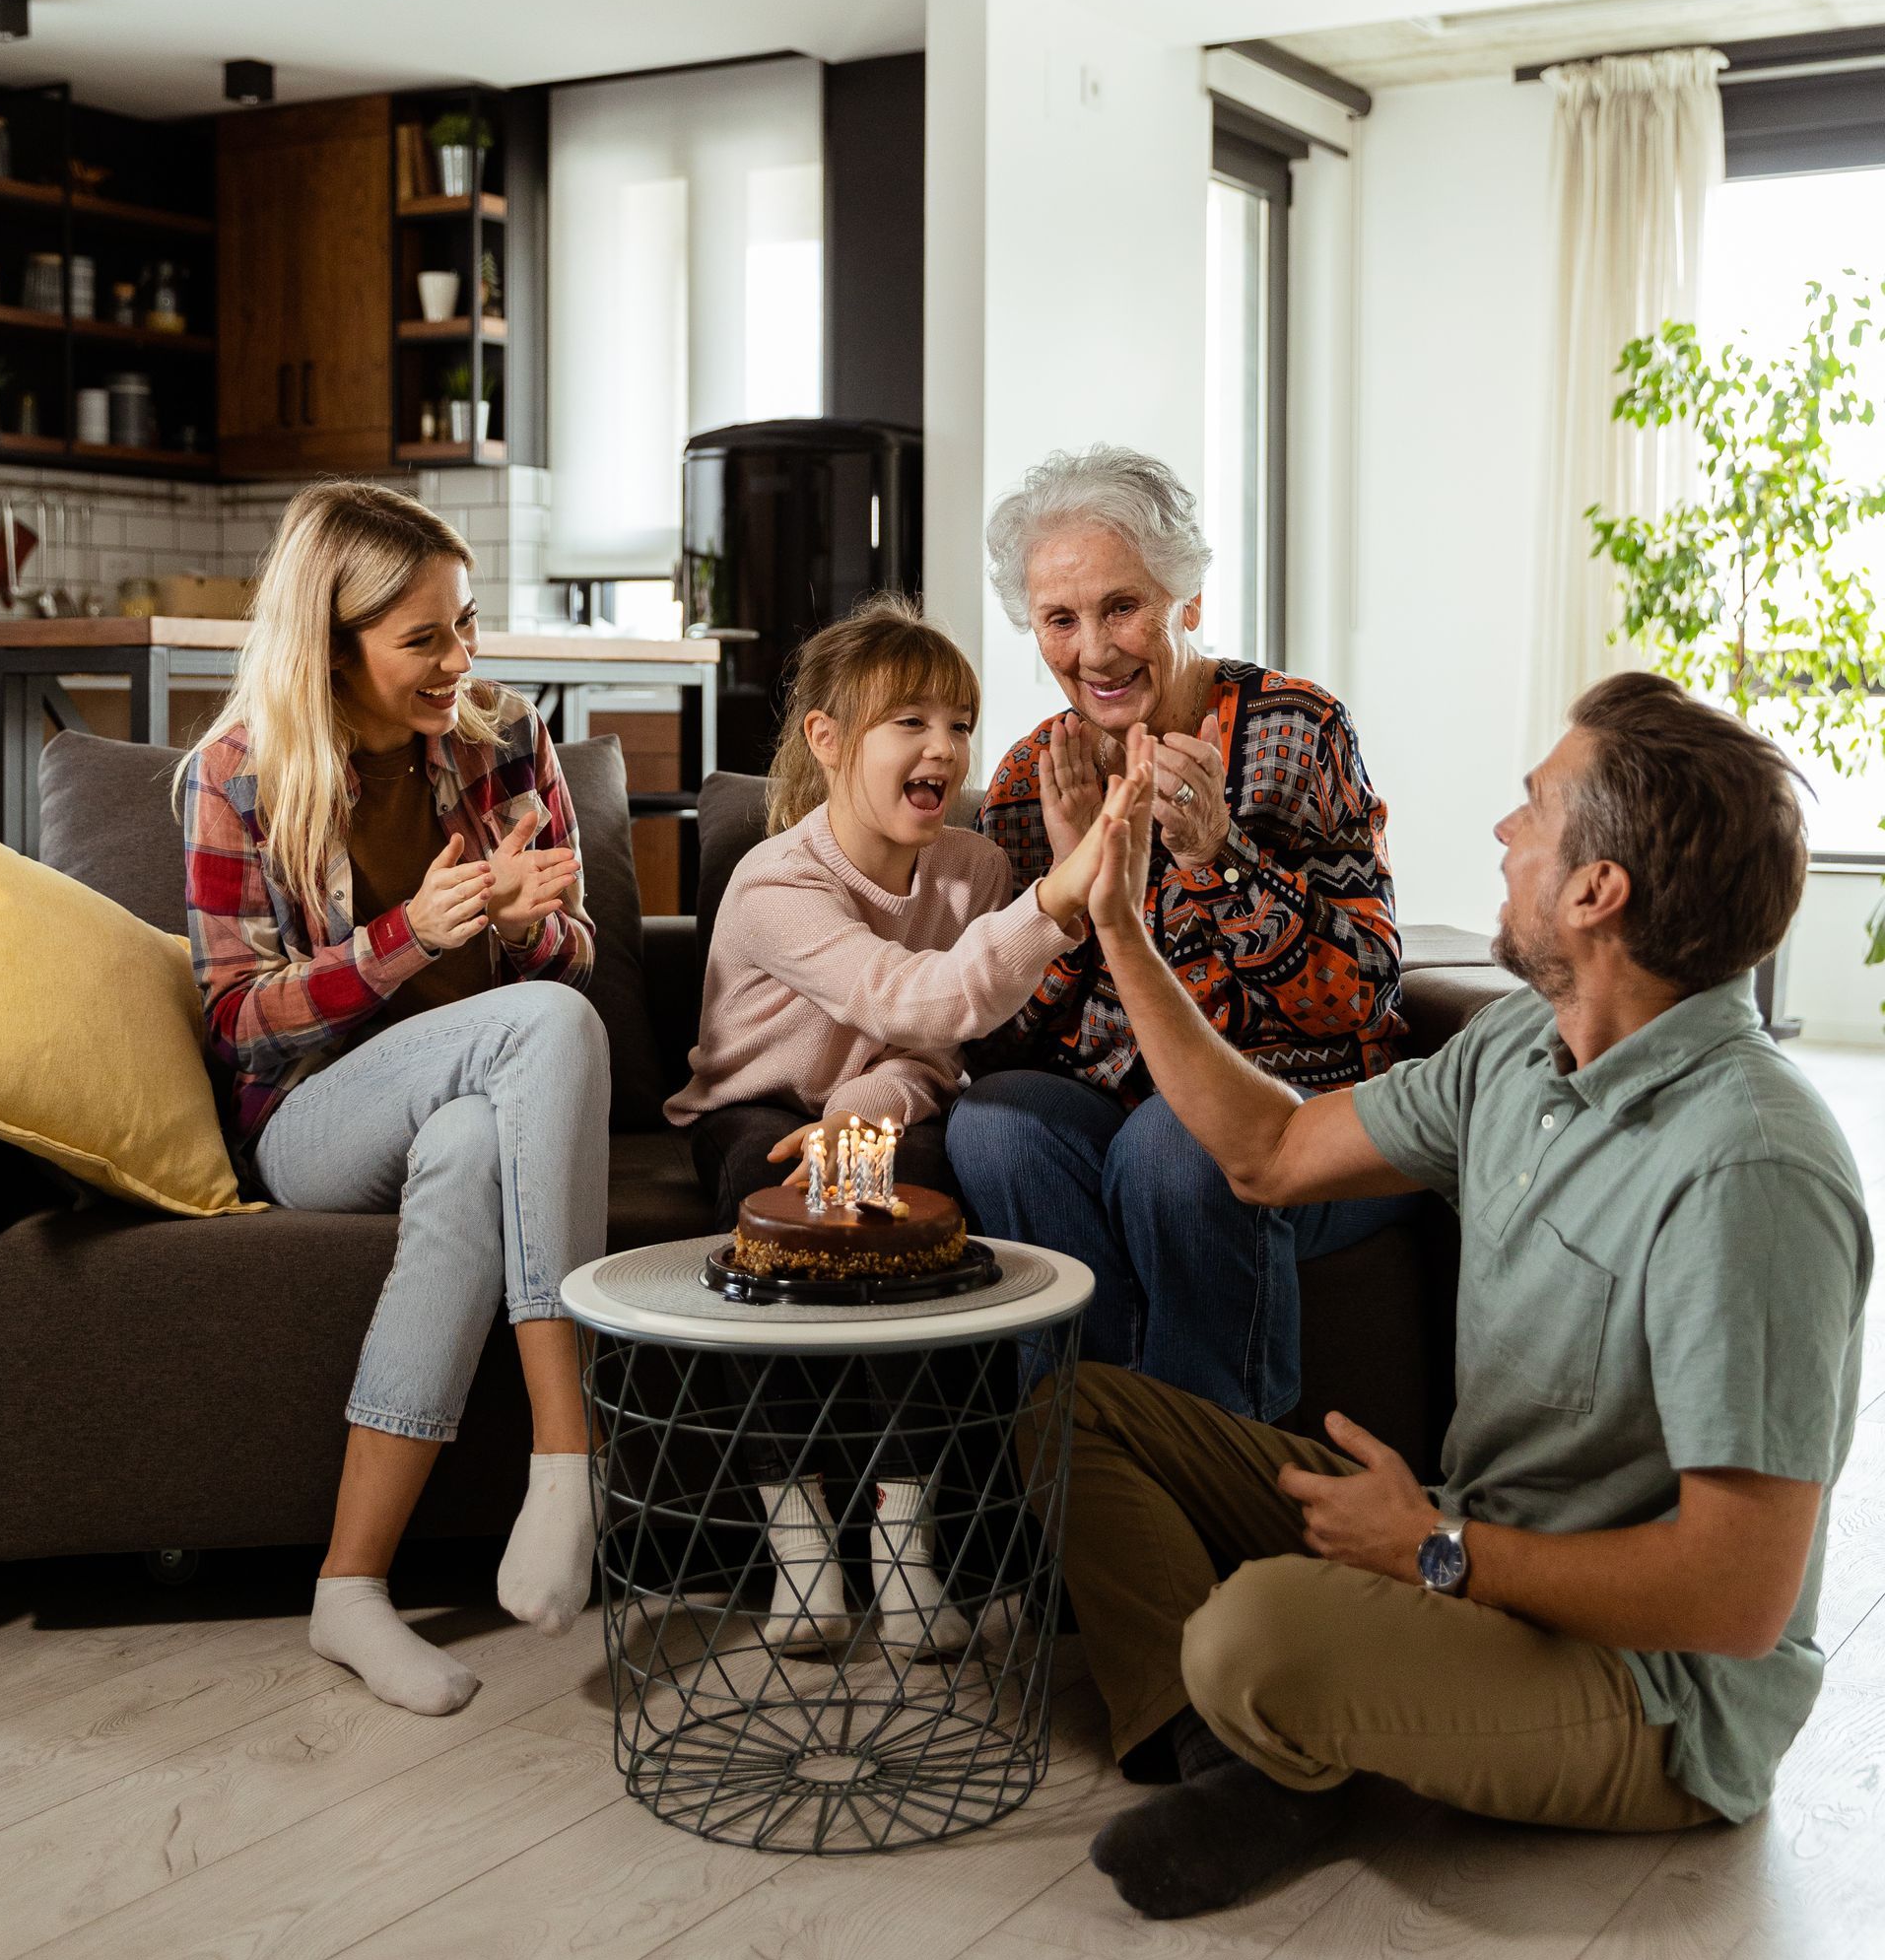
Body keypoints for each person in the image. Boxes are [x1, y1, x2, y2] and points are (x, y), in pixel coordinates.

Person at [1055, 675, 1869, 1921]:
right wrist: (1121, 928)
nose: (1503, 832)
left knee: (1249, 1633)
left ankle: (1285, 1718)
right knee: (1078, 1414)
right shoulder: (1516, 1053)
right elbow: (1267, 1154)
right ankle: (1250, 1764)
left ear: (1599, 893)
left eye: (1533, 809)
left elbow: (1738, 1597)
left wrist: (1432, 1554)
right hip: (1471, 1554)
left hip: (1652, 1689)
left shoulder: (1748, 1162)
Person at [181, 482, 610, 1719]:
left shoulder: (503, 738)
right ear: (333, 643)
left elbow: (574, 958)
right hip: (316, 1119)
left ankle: (350, 1588)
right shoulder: (241, 772)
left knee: (484, 1127)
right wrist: (401, 940)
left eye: (466, 625)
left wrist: (533, 931)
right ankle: (568, 1453)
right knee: (541, 1027)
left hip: (478, 1106)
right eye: (423, 639)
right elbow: (235, 1024)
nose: (459, 662)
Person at [669, 595, 1124, 1657]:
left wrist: (867, 1108)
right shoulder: (775, 881)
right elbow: (909, 996)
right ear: (827, 741)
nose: (943, 748)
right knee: (770, 1214)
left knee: (914, 1204)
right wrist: (1058, 904)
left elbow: (937, 1046)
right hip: (755, 1108)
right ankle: (802, 1547)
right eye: (908, 722)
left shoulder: (975, 872)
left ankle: (909, 1548)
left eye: (958, 723)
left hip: (881, 1103)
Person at [949, 443, 1421, 1423]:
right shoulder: (1036, 773)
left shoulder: (1298, 731)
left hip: (1299, 1115)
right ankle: (1089, 1456)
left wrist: (1218, 859)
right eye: (1059, 620)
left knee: (1176, 1145)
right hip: (1116, 1116)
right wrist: (1070, 908)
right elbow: (998, 1037)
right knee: (993, 1122)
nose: (1093, 650)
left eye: (1123, 607)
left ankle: (1217, 1471)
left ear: (1187, 599)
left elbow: (1364, 993)